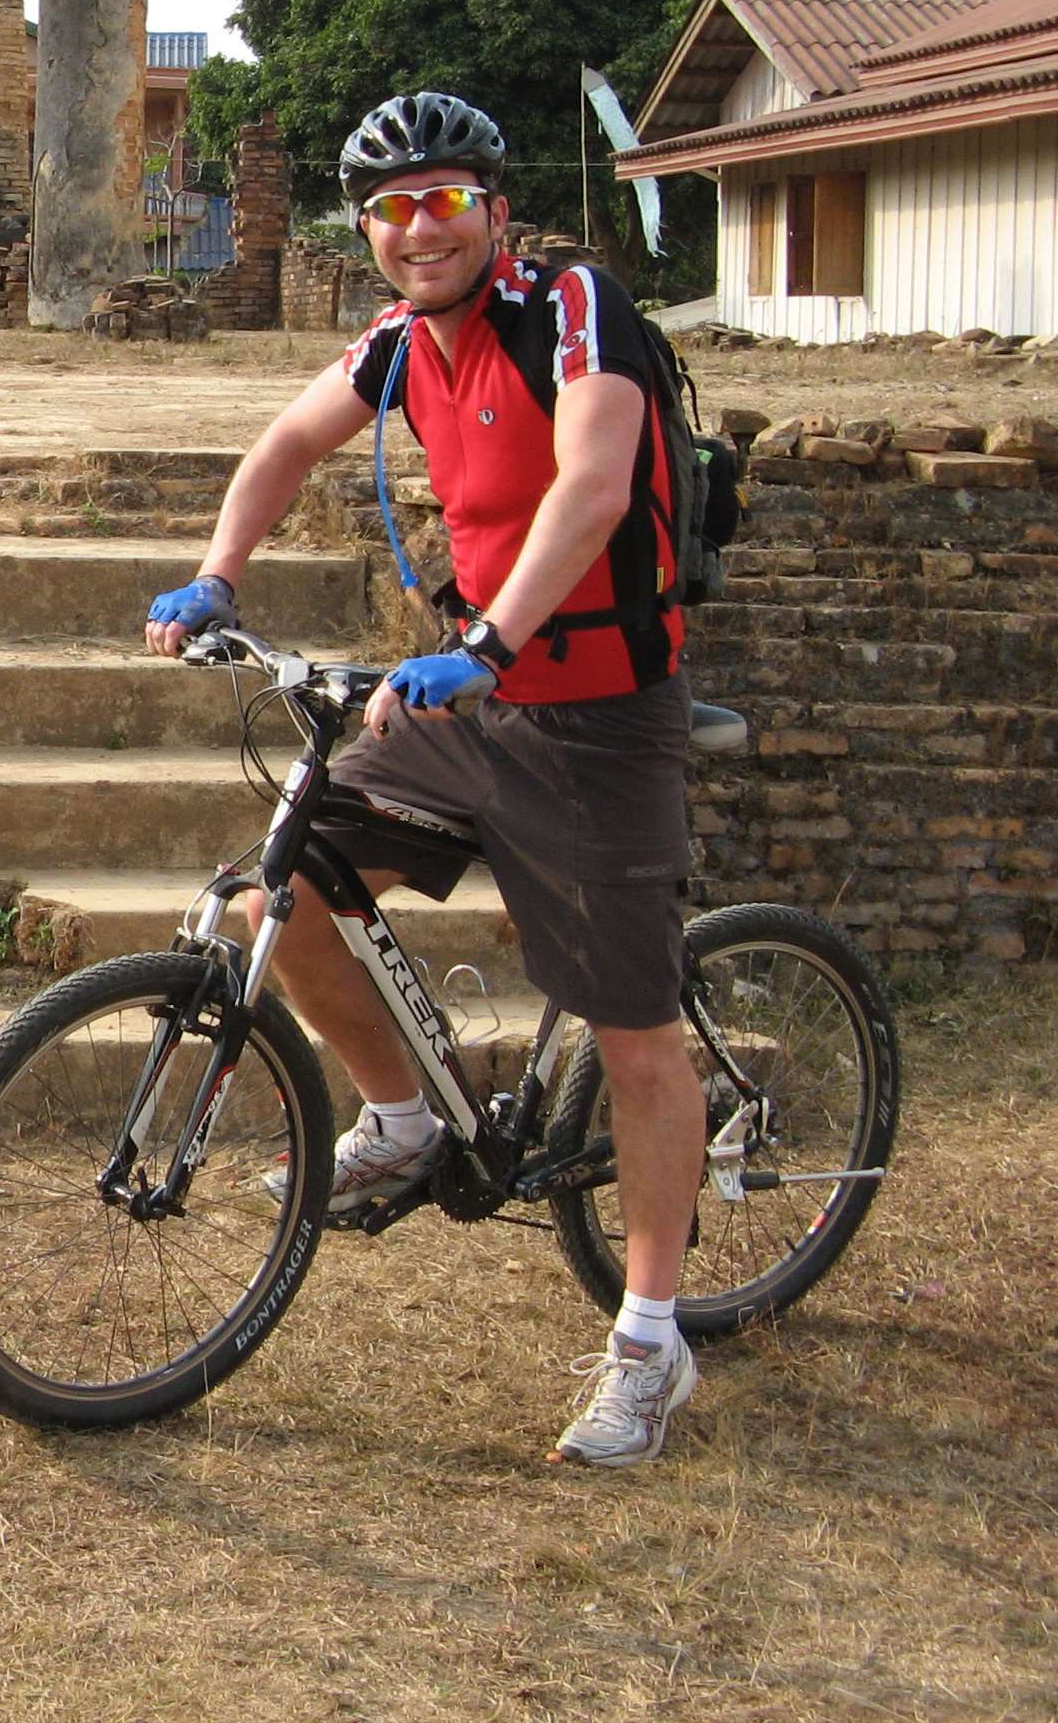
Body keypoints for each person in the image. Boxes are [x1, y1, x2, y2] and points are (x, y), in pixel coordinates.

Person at [144, 90, 707, 1468]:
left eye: (443, 201)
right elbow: (285, 443)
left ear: (494, 211)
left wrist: (490, 639)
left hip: (595, 718)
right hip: (469, 698)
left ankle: (650, 1340)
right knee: (281, 892)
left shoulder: (570, 305)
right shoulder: (400, 339)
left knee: (632, 1036)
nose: (416, 230)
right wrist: (222, 572)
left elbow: (591, 484)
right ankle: (398, 1115)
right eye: (389, 210)